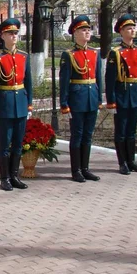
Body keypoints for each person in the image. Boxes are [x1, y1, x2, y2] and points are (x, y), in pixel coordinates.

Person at [0, 18, 32, 191]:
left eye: (15, 33)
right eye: (10, 33)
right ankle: (4, 177)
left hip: (20, 103)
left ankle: (14, 175)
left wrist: (29, 105)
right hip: (5, 104)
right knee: (5, 144)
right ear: (2, 36)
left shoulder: (23, 56)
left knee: (18, 144)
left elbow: (28, 83)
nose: (14, 36)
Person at [59, 15, 102, 183]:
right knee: (77, 135)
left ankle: (85, 168)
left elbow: (98, 77)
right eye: (83, 30)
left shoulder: (94, 53)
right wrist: (64, 103)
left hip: (91, 98)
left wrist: (99, 99)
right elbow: (64, 81)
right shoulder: (68, 55)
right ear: (75, 33)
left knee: (88, 136)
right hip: (77, 99)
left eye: (88, 30)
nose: (87, 33)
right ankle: (76, 170)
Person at [105, 14, 137, 175]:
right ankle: (122, 162)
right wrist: (111, 101)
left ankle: (132, 161)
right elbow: (109, 80)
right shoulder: (115, 53)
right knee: (121, 131)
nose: (132, 31)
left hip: (135, 94)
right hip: (122, 95)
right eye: (128, 28)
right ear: (121, 31)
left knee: (131, 131)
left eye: (133, 28)